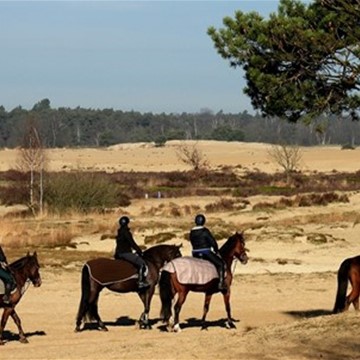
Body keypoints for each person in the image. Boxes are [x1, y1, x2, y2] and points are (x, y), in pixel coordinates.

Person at [189, 214, 227, 292]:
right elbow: (212, 242)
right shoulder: (205, 231)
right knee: (221, 264)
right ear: (203, 221)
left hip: (195, 253)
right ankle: (221, 284)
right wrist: (216, 251)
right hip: (206, 252)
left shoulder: (192, 232)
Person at [114, 216, 149, 290]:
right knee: (142, 263)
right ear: (127, 223)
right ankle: (141, 282)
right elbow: (132, 243)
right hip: (126, 253)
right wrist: (139, 251)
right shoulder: (126, 232)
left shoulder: (119, 232)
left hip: (118, 253)